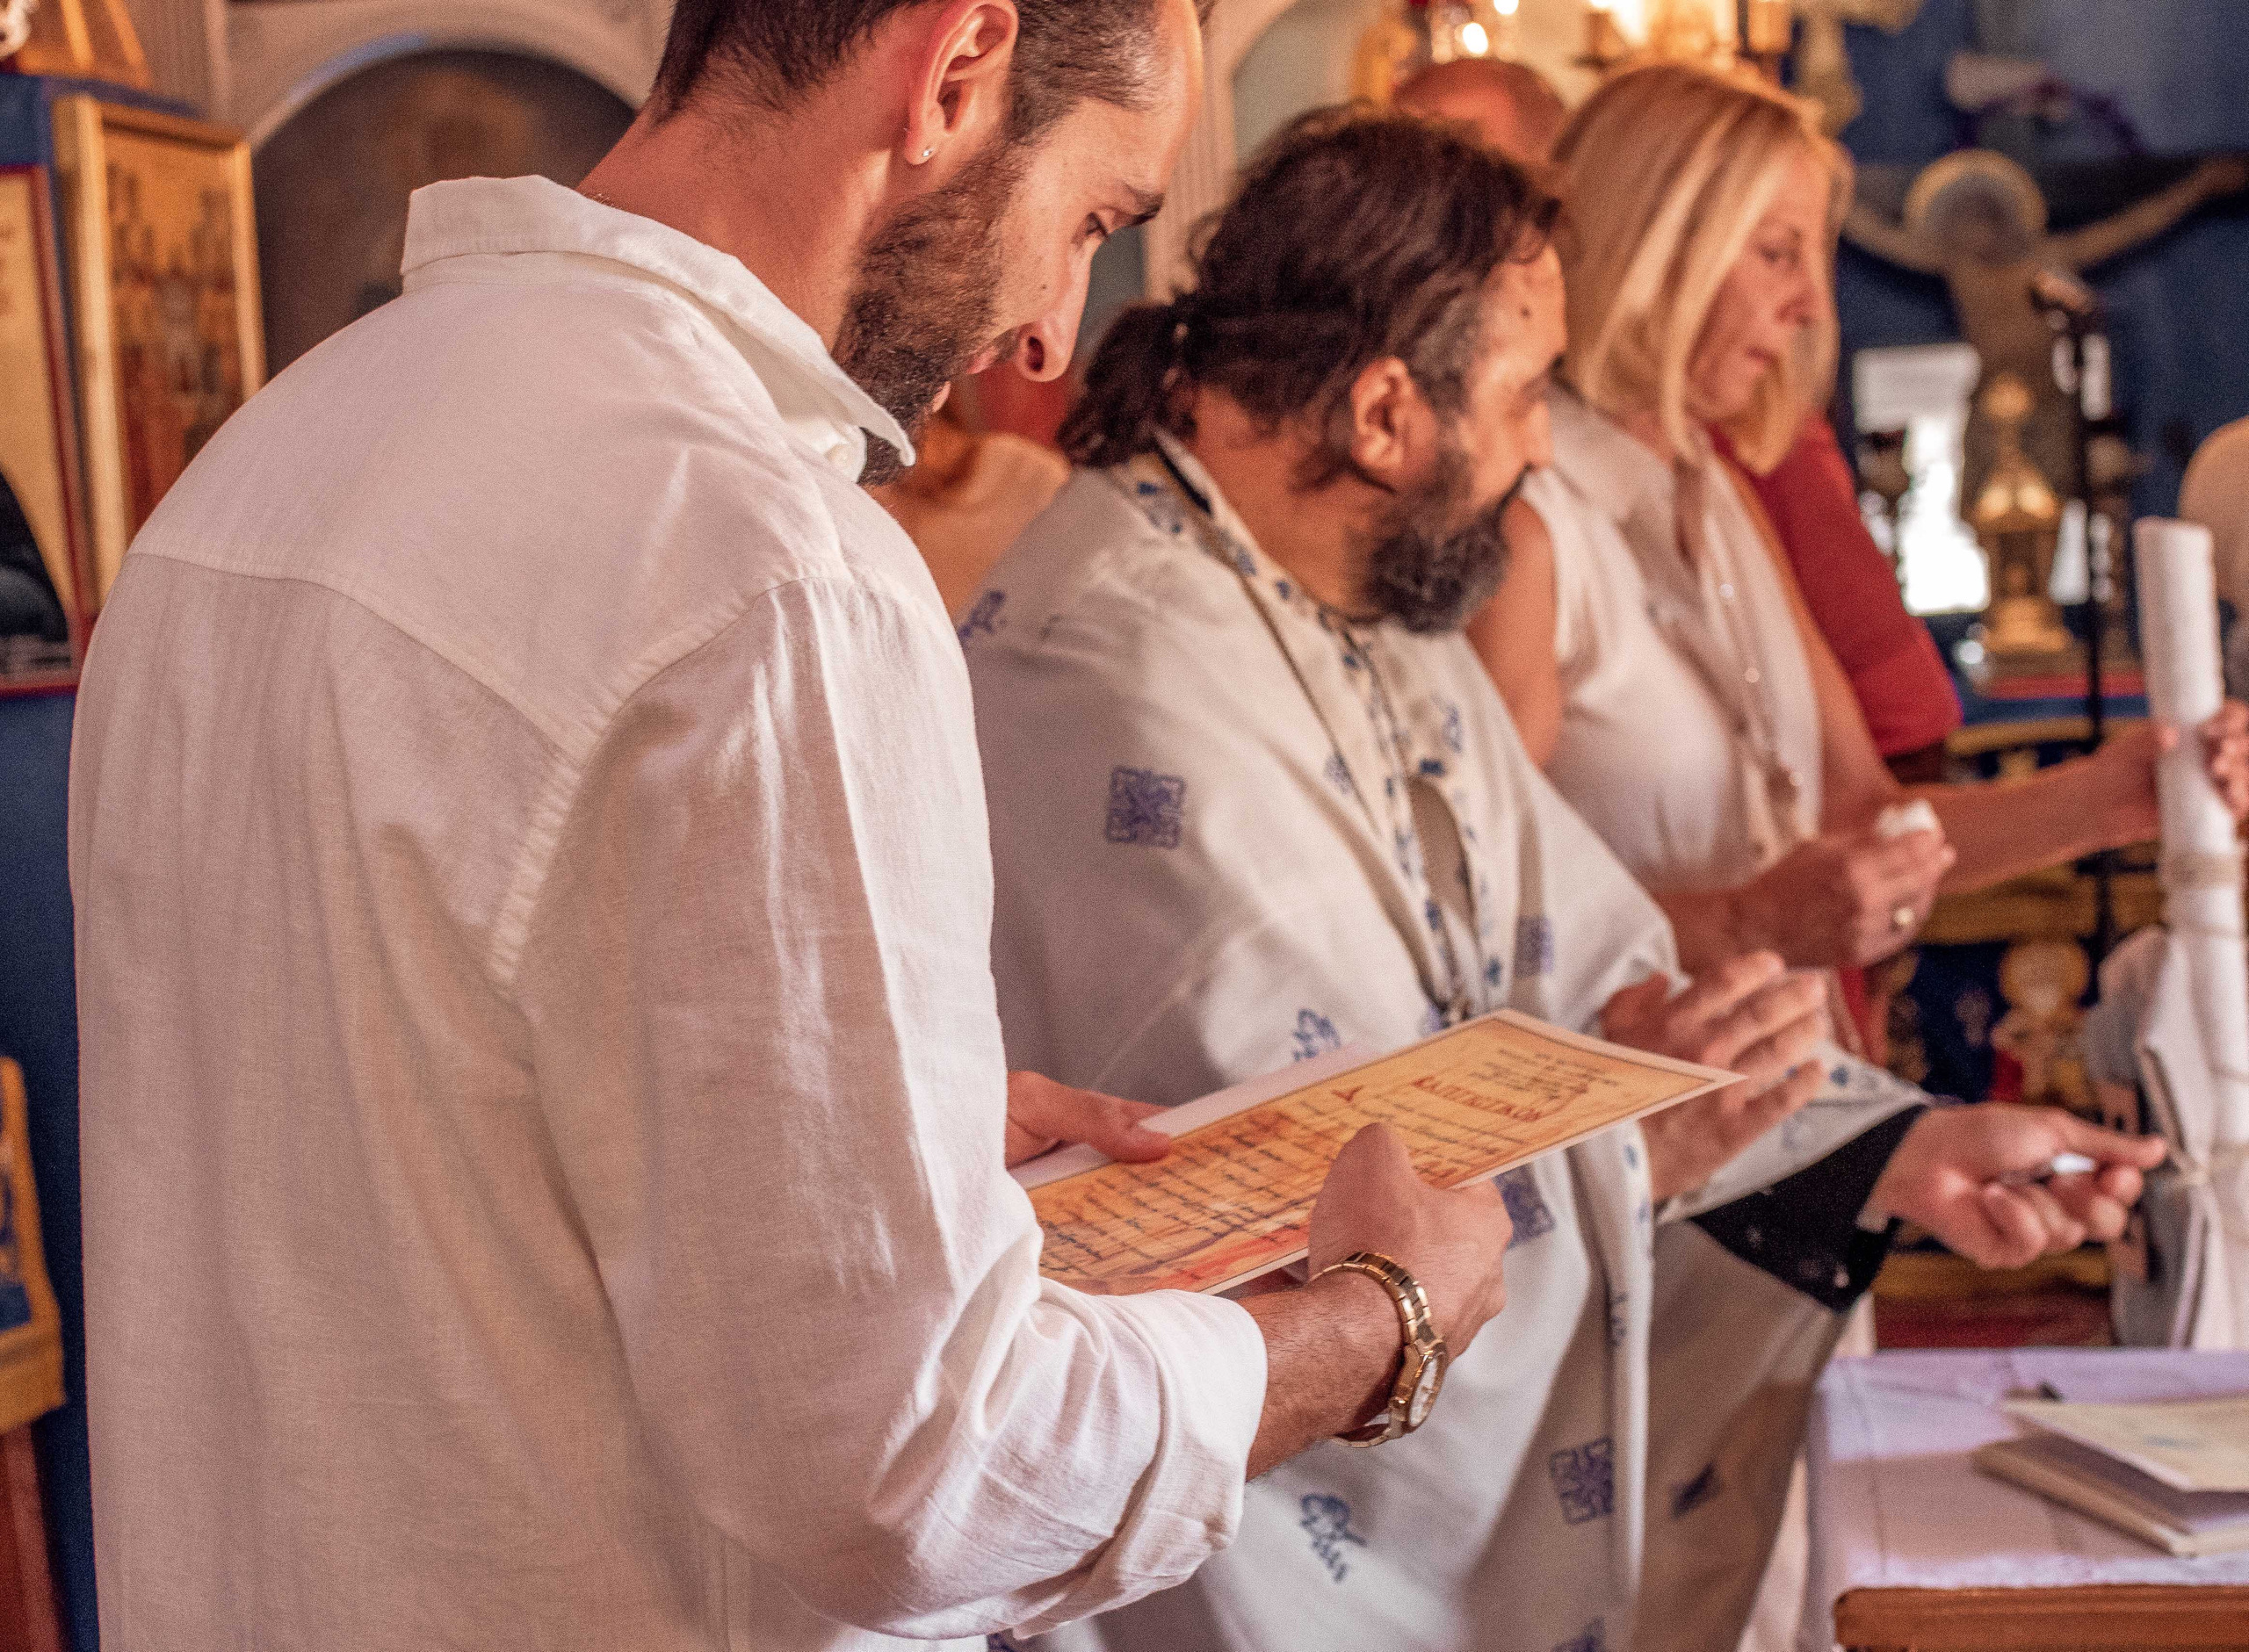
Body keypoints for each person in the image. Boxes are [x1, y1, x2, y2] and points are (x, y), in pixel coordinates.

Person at [66, 5, 1528, 1648]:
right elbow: (918, 1463)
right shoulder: (766, 568)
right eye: (1094, 220)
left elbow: (396, 1131)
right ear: (957, 70)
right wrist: (1364, 1326)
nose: (1058, 330)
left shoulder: (252, 472)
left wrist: (845, 1135)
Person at [964, 107, 2163, 1652]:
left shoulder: (1357, 597)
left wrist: (1896, 1150)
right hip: (1255, 1564)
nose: (1542, 453)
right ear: (1388, 412)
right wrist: (1646, 1155)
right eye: (1528, 394)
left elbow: (1597, 996)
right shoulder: (1118, 676)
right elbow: (1295, 1198)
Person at [1474, 62, 2247, 1648]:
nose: (1803, 302)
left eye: (1810, 252)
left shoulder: (1709, 490)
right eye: (1769, 249)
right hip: (1634, 1179)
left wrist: (2123, 790)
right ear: (1655, 235)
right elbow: (1480, 930)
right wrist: (1757, 913)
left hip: (1806, 1145)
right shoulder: (1525, 512)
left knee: (1762, 1584)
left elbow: (1863, 833)